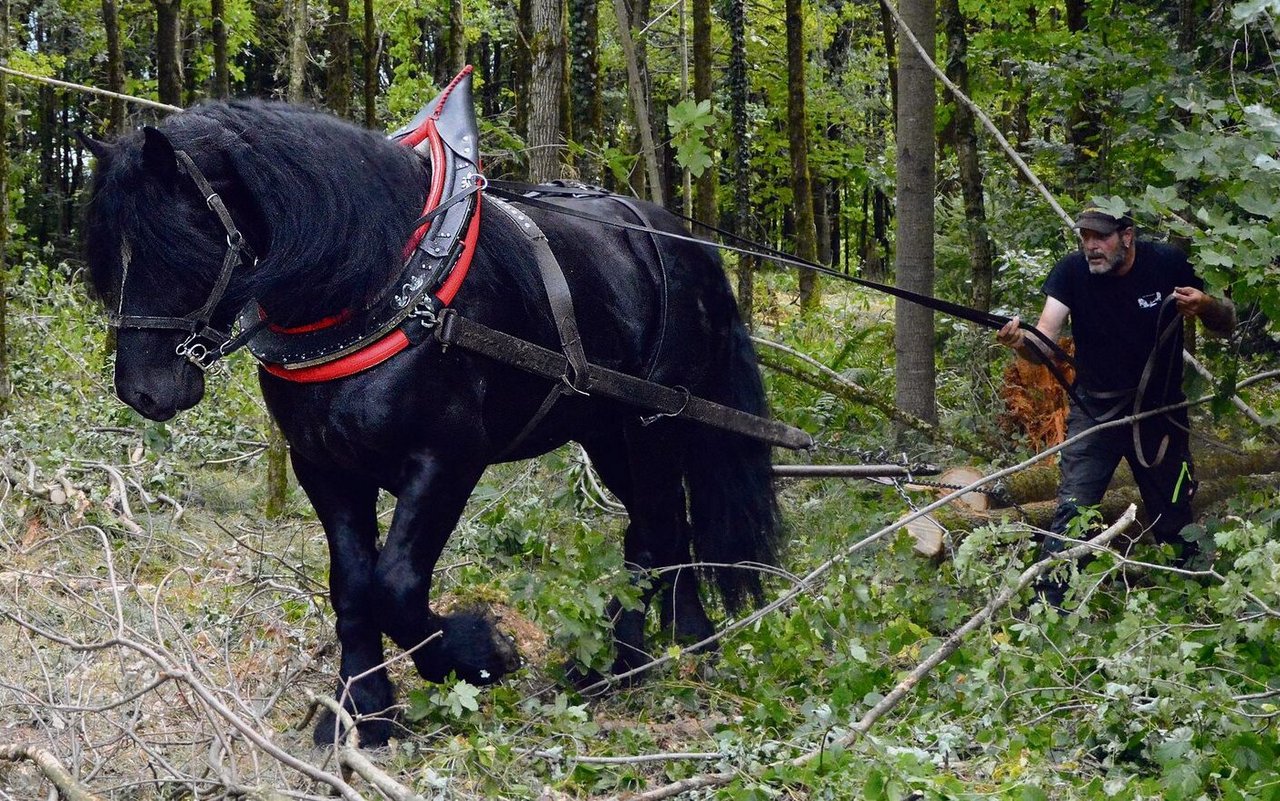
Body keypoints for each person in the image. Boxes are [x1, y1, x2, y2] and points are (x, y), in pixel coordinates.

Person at [996, 208, 1235, 602]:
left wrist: (1205, 305)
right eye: (1086, 237)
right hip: (1096, 414)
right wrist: (1021, 341)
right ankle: (1047, 613)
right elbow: (1044, 342)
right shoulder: (1071, 272)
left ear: (1127, 236)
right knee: (1072, 514)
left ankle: (1201, 605)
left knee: (1175, 516)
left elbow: (1226, 321)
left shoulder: (1167, 263)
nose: (1091, 246)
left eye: (1100, 237)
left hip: (1160, 414)